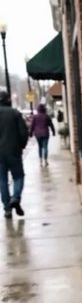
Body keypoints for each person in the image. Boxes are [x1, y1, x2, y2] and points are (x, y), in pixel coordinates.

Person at [0, 90, 29, 219]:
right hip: (14, 151)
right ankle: (15, 198)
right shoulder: (15, 113)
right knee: (18, 177)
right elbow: (24, 132)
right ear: (8, 100)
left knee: (2, 181)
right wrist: (21, 146)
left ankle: (7, 209)